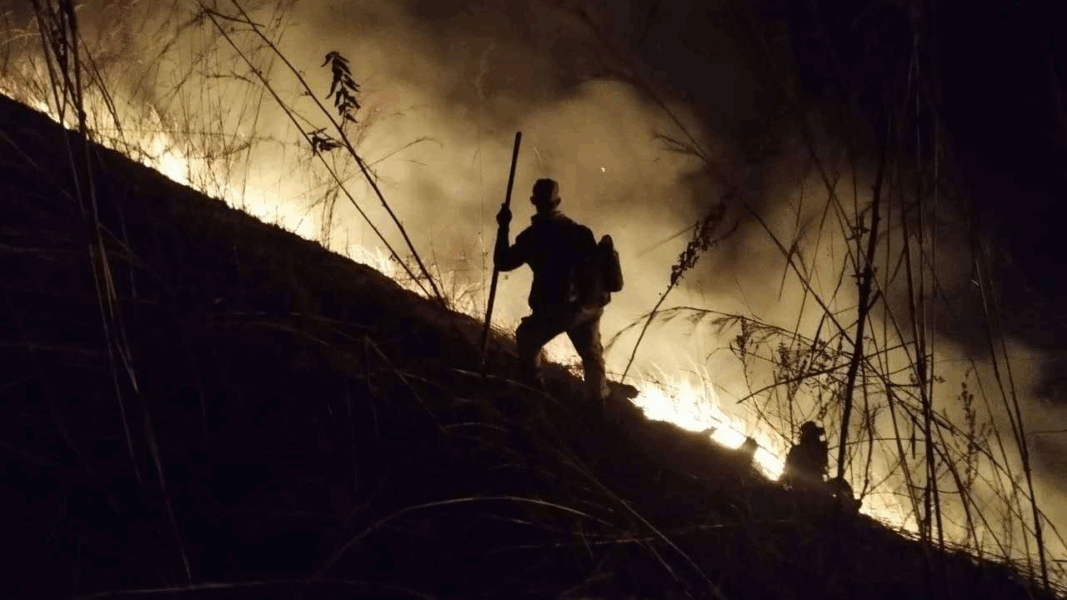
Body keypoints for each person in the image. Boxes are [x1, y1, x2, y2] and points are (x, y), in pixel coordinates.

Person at [494, 178, 612, 404]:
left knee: (527, 338)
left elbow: (503, 262)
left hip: (556, 310)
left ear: (533, 201)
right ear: (558, 201)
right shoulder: (580, 232)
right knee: (591, 354)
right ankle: (599, 404)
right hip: (588, 307)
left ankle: (535, 393)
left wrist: (504, 225)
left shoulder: (532, 237)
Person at [782, 421, 829, 491]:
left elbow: (824, 463)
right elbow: (787, 468)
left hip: (815, 487)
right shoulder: (796, 449)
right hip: (797, 486)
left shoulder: (820, 448)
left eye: (813, 433)